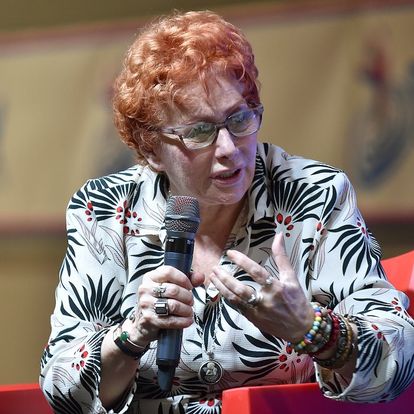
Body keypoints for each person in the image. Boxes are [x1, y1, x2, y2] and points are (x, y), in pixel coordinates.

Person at [40, 10, 414, 414]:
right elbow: (62, 387)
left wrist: (310, 328)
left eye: (239, 119)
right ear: (151, 149)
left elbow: (398, 358)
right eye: (199, 131)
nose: (229, 149)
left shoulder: (314, 194)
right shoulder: (105, 211)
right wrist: (133, 335)